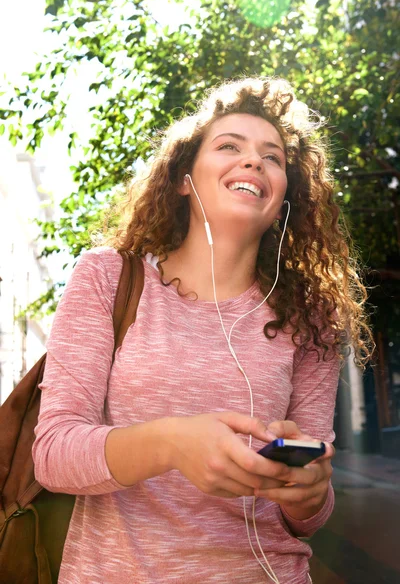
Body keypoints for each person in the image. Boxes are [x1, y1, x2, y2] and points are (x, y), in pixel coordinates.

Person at [33, 76, 373, 584]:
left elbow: (307, 519)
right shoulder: (107, 277)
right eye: (229, 146)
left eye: (272, 157)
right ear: (183, 180)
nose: (253, 161)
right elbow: (54, 453)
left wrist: (309, 493)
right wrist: (172, 444)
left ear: (283, 199)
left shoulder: (313, 316)